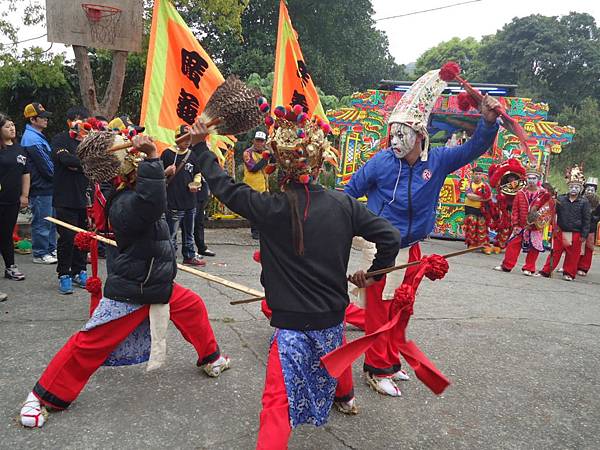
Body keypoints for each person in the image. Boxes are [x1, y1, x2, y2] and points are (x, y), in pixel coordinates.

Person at [190, 108, 400, 448]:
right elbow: (389, 235)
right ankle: (344, 397)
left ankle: (338, 399)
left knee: (277, 403)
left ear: (278, 164)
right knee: (333, 350)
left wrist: (200, 148)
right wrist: (375, 276)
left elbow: (225, 189)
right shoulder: (343, 204)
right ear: (318, 165)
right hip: (331, 317)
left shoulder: (269, 206)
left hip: (290, 325)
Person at [19, 133, 230, 428]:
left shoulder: (127, 193)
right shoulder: (122, 202)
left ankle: (212, 358)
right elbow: (149, 204)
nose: (136, 152)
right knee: (91, 342)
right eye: (130, 152)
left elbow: (150, 198)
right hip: (135, 287)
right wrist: (154, 159)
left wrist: (162, 173)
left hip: (154, 280)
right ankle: (40, 397)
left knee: (192, 306)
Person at [345, 69, 500, 397]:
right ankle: (376, 369)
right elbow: (348, 193)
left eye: (403, 134)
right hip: (381, 248)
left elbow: (474, 148)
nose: (396, 140)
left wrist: (487, 122)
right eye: (393, 134)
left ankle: (391, 360)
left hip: (413, 247)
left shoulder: (440, 160)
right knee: (378, 311)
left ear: (420, 134)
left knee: (401, 309)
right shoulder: (381, 162)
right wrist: (343, 227)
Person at [51, 108, 92, 294]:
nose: (80, 123)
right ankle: (64, 274)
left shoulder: (89, 141)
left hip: (84, 199)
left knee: (83, 239)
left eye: (83, 119)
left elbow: (95, 162)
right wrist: (81, 164)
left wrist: (79, 165)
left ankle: (80, 270)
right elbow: (65, 159)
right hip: (64, 198)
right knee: (67, 238)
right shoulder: (60, 139)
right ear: (69, 122)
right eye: (76, 120)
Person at [161, 125, 205, 266]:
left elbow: (197, 172)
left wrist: (196, 183)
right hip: (173, 201)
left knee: (189, 232)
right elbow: (156, 176)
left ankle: (189, 255)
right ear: (177, 138)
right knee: (172, 233)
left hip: (190, 201)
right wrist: (166, 172)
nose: (187, 141)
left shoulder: (191, 154)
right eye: (184, 138)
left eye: (189, 138)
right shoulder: (167, 154)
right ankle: (169, 256)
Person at [494, 167, 549, 276]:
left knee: (534, 247)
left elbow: (547, 210)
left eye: (534, 178)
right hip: (521, 224)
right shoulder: (520, 193)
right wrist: (515, 224)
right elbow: (515, 210)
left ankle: (529, 268)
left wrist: (538, 222)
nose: (531, 180)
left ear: (538, 179)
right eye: (529, 178)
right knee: (512, 244)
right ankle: (507, 265)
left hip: (535, 226)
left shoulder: (544, 194)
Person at [20, 103, 57, 265]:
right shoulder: (31, 139)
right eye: (42, 117)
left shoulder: (37, 136)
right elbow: (47, 167)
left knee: (51, 220)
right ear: (32, 119)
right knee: (43, 220)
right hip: (41, 187)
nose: (46, 120)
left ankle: (50, 248)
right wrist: (59, 177)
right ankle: (40, 252)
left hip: (47, 186)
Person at [540, 168, 591, 281]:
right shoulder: (561, 199)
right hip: (561, 230)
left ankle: (569, 273)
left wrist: (584, 234)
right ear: (568, 187)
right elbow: (553, 212)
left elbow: (587, 219)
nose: (574, 189)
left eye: (577, 187)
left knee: (572, 255)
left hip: (575, 232)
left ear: (580, 189)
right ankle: (546, 271)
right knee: (555, 252)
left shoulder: (584, 202)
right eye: (572, 187)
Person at [0, 113, 29, 281]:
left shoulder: (20, 149)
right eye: (7, 126)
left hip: (12, 201)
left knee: (6, 234)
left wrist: (24, 195)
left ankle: (10, 267)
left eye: (13, 125)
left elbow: (25, 173)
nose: (12, 128)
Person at [487, 159, 526, 252]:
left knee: (510, 227)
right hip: (503, 208)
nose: (511, 179)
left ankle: (503, 245)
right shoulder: (501, 185)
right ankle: (500, 244)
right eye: (509, 177)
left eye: (513, 177)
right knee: (503, 226)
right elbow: (494, 184)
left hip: (514, 209)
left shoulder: (521, 186)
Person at [243, 131, 270, 239]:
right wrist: (266, 158)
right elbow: (253, 168)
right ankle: (255, 231)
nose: (259, 143)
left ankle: (262, 229)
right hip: (252, 185)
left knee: (264, 209)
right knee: (254, 209)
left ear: (264, 143)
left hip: (264, 185)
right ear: (253, 141)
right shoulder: (247, 153)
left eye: (261, 141)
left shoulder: (265, 153)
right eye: (257, 140)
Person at [463, 166, 492, 253]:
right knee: (471, 225)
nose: (478, 176)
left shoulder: (485, 185)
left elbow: (489, 197)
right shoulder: (468, 184)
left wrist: (479, 198)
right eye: (476, 174)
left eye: (479, 174)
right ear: (472, 174)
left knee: (482, 226)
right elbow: (469, 195)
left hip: (481, 209)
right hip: (470, 208)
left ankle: (483, 245)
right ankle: (472, 244)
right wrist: (482, 198)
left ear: (482, 175)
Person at [578, 177, 599, 276]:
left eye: (592, 190)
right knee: (575, 247)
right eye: (588, 189)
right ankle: (571, 265)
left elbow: (598, 217)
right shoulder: (579, 200)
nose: (590, 191)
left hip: (591, 229)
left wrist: (591, 217)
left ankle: (584, 267)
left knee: (588, 248)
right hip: (578, 227)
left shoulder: (597, 203)